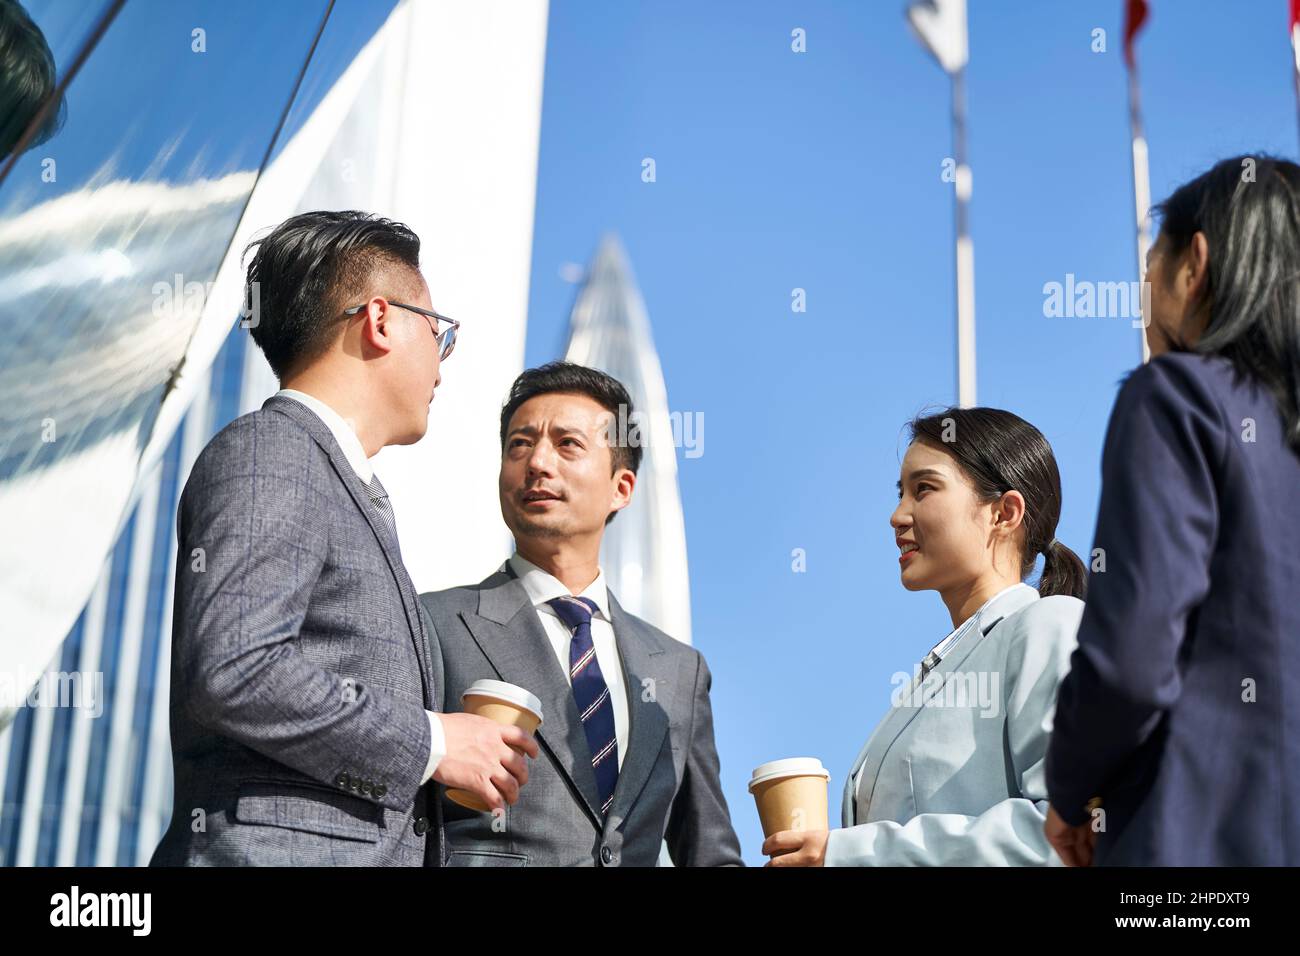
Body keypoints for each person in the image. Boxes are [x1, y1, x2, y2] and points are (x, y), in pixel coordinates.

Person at [151, 210, 537, 867]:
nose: (442, 363)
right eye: (437, 330)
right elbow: (235, 667)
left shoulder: (340, 484)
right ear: (380, 320)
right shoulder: (271, 451)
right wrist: (435, 743)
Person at [1045, 155, 1300, 866]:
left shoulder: (1176, 398)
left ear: (1197, 261)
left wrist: (1069, 792)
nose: (1144, 287)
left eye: (1151, 260)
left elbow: (1131, 658)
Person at [420, 362, 743, 866]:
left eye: (567, 444)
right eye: (519, 445)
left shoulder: (680, 671)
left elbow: (708, 852)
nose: (537, 463)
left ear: (622, 487)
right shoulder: (432, 622)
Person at [765, 407, 1085, 866]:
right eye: (901, 493)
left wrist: (847, 855)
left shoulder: (1050, 625)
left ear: (1004, 512)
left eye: (925, 489)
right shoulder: (939, 671)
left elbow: (1065, 835)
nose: (897, 516)